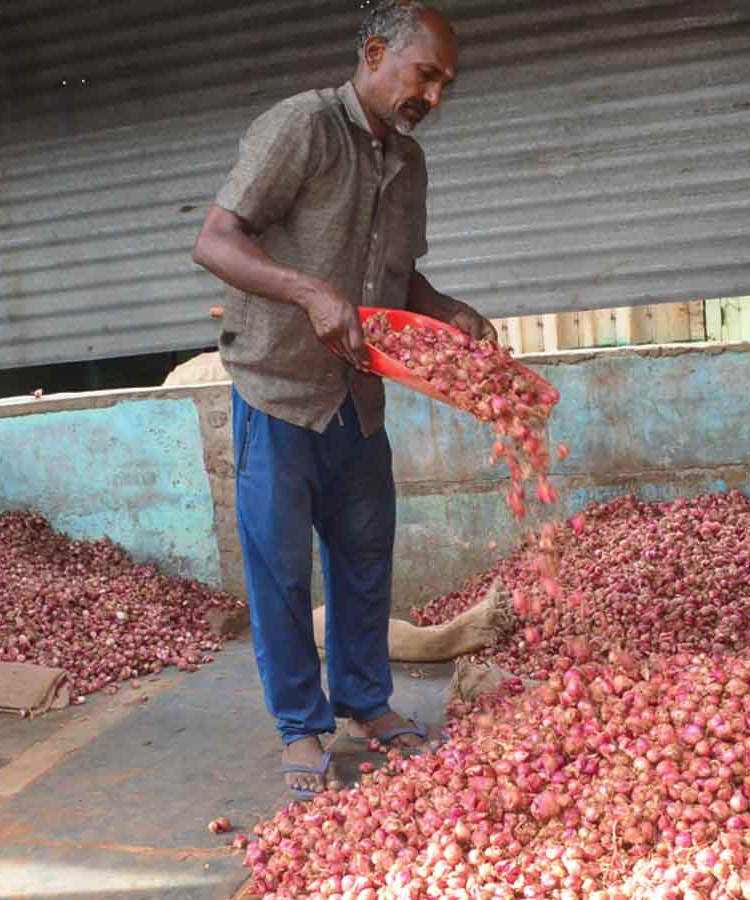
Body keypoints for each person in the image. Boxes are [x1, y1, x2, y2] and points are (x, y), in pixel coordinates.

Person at [191, 0, 496, 800]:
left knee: (364, 561)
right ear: (374, 54)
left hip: (359, 397)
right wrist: (309, 293)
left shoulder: (408, 163)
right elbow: (215, 239)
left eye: (445, 83)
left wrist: (450, 311)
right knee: (281, 570)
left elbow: (400, 276)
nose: (433, 95)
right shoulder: (302, 127)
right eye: (424, 74)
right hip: (280, 391)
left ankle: (365, 699)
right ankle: (301, 723)